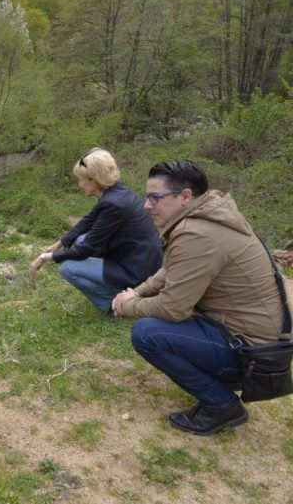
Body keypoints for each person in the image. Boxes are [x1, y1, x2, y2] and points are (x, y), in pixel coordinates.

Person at [112, 160, 287, 435]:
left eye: (155, 198)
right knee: (157, 324)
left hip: (255, 355)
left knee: (147, 333)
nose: (147, 205)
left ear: (185, 196)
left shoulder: (197, 232)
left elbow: (172, 309)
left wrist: (129, 306)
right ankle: (220, 381)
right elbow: (171, 271)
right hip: (259, 342)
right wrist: (137, 291)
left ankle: (221, 406)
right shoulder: (207, 217)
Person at [30, 148, 162, 314]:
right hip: (140, 257)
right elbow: (89, 219)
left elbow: (87, 249)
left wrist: (46, 257)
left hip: (137, 270)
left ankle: (113, 307)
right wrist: (60, 243)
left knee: (67, 268)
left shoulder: (113, 204)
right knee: (79, 240)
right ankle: (115, 291)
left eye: (81, 179)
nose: (79, 184)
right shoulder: (117, 191)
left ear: (93, 180)